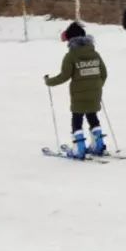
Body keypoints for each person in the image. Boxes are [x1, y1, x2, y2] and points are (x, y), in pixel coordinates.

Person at [44, 22, 108, 159]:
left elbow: (64, 76)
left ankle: (79, 148)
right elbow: (104, 73)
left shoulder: (71, 56)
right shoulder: (95, 53)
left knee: (77, 118)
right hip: (95, 92)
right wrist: (97, 85)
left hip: (78, 94)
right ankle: (99, 144)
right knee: (92, 115)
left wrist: (49, 81)